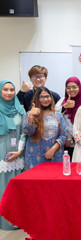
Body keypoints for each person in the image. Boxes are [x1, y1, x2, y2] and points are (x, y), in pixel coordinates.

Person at [0, 80, 26, 230]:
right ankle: (3, 220)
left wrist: (19, 151)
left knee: (14, 188)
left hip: (16, 152)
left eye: (11, 90)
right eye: (5, 90)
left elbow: (23, 133)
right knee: (2, 187)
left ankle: (15, 219)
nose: (9, 92)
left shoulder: (19, 109)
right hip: (1, 152)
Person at [22, 87, 68, 170]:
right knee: (36, 181)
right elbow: (28, 132)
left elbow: (64, 135)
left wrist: (53, 149)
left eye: (47, 96)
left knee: (54, 181)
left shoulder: (58, 115)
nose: (45, 99)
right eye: (42, 97)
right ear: (37, 98)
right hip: (35, 157)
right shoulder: (30, 114)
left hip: (55, 155)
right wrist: (31, 118)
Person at [55, 77, 81, 158]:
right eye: (68, 87)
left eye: (74, 87)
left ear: (79, 87)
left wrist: (77, 138)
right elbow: (52, 116)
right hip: (66, 143)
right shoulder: (62, 101)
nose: (71, 90)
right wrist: (64, 107)